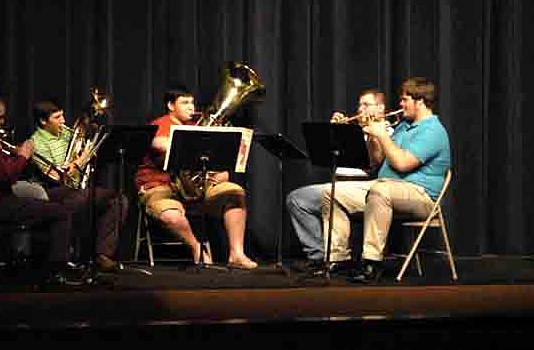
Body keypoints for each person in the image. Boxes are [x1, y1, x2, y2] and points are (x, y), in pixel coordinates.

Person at [321, 77, 451, 284]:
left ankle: (371, 262)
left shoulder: (433, 131)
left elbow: (401, 164)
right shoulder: (402, 127)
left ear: (420, 101)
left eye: (404, 99)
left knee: (381, 190)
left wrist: (382, 135)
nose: (400, 104)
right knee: (332, 193)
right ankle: (338, 260)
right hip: (384, 190)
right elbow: (376, 162)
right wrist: (372, 135)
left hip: (422, 196)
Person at [0, 93, 85, 280]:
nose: (2, 121)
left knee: (49, 204)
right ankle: (55, 270)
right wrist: (23, 155)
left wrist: (10, 155)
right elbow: (6, 177)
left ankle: (37, 266)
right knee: (61, 213)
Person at [135, 85, 258, 269]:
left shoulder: (196, 125)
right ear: (170, 105)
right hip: (160, 186)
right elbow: (159, 143)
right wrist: (191, 142)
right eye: (184, 102)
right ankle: (196, 247)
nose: (191, 107)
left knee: (235, 193)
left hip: (196, 187)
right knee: (171, 215)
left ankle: (237, 254)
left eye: (192, 102)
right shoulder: (160, 124)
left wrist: (222, 171)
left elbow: (218, 158)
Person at [285, 89, 390, 276]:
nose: (361, 109)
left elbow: (374, 163)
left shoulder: (386, 130)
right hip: (335, 186)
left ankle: (334, 258)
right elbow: (329, 158)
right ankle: (319, 256)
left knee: (325, 196)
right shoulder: (355, 129)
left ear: (381, 108)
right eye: (360, 104)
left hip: (360, 189)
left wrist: (373, 134)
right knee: (296, 199)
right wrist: (335, 132)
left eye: (366, 105)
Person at [27, 99, 128, 271]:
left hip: (74, 189)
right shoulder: (36, 142)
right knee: (80, 201)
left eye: (63, 116)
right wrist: (82, 160)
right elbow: (54, 176)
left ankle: (102, 255)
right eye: (57, 117)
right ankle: (65, 258)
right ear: (43, 121)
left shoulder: (67, 133)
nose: (63, 121)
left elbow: (82, 146)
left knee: (118, 200)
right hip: (51, 193)